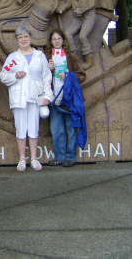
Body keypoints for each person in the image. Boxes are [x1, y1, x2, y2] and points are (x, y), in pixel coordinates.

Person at [0, 26, 53, 171]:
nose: (23, 39)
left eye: (25, 36)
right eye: (20, 37)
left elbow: (47, 77)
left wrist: (47, 96)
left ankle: (34, 158)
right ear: (17, 40)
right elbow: (3, 76)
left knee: (34, 128)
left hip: (35, 98)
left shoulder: (39, 56)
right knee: (21, 128)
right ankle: (22, 159)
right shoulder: (13, 58)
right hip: (19, 98)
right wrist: (15, 76)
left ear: (30, 37)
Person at [45, 29, 86, 167]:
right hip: (54, 99)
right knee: (56, 129)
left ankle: (71, 157)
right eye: (54, 39)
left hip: (69, 99)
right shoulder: (47, 57)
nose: (57, 41)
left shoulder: (71, 57)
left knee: (71, 128)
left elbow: (82, 76)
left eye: (59, 38)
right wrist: (48, 70)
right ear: (51, 41)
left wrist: (68, 76)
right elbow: (39, 78)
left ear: (63, 40)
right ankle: (59, 157)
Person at [56, 0, 97, 69]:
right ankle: (75, 57)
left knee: (82, 36)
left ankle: (89, 60)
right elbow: (68, 2)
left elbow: (91, 3)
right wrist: (62, 8)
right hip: (78, 17)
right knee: (67, 33)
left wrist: (82, 9)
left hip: (89, 16)